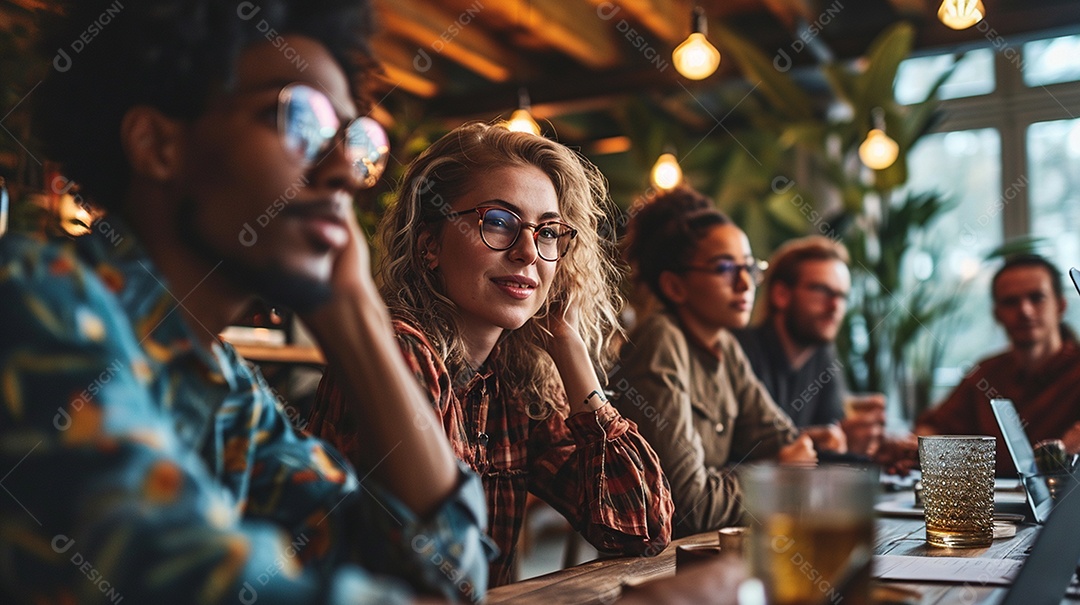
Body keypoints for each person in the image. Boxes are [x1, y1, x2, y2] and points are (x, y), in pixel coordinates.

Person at [0, 1, 493, 603]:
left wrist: (357, 312)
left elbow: (450, 575)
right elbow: (194, 582)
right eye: (300, 120)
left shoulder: (226, 391)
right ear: (158, 144)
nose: (343, 170)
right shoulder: (35, 301)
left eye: (354, 140)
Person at [309, 122, 674, 586]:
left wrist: (567, 343)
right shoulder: (400, 352)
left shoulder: (512, 380)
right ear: (429, 246)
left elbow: (641, 528)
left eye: (547, 232)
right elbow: (436, 572)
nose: (528, 252)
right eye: (498, 223)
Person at [610, 186, 821, 538]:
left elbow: (785, 442)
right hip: (662, 567)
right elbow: (692, 507)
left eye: (749, 267)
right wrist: (774, 476)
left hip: (719, 549)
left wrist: (774, 465)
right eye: (724, 268)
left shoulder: (724, 343)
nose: (744, 283)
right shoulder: (660, 342)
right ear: (675, 286)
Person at [917, 254, 1080, 475]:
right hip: (993, 506)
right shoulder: (985, 375)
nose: (1025, 311)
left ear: (1061, 306)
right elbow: (933, 428)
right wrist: (917, 446)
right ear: (997, 314)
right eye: (1011, 302)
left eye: (1036, 297)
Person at [734, 236, 885, 456]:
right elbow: (737, 451)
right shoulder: (740, 352)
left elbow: (832, 437)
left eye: (842, 296)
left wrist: (874, 445)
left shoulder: (823, 355)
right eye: (822, 290)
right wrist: (814, 440)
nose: (835, 306)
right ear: (781, 295)